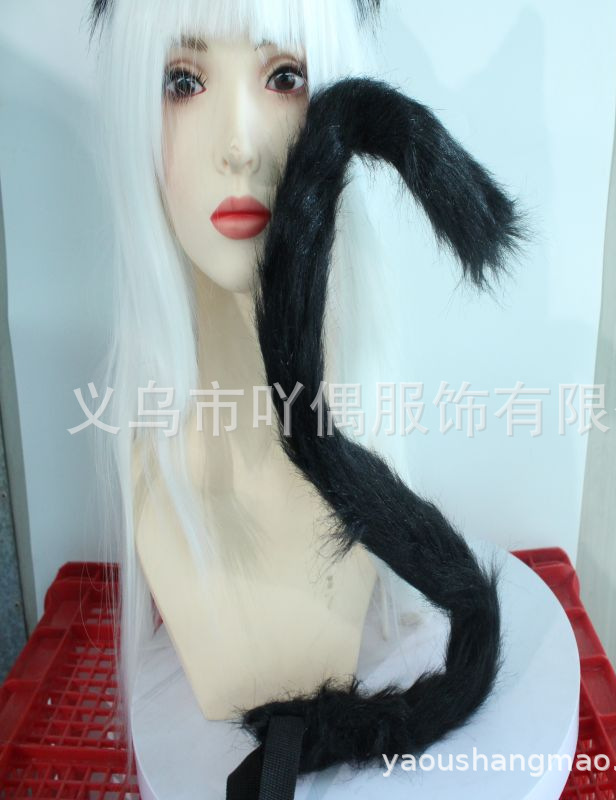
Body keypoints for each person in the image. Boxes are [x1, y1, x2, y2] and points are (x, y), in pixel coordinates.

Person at [90, 0, 519, 795]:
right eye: (183, 81)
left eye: (285, 76)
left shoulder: (359, 455)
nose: (240, 145)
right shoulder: (153, 469)